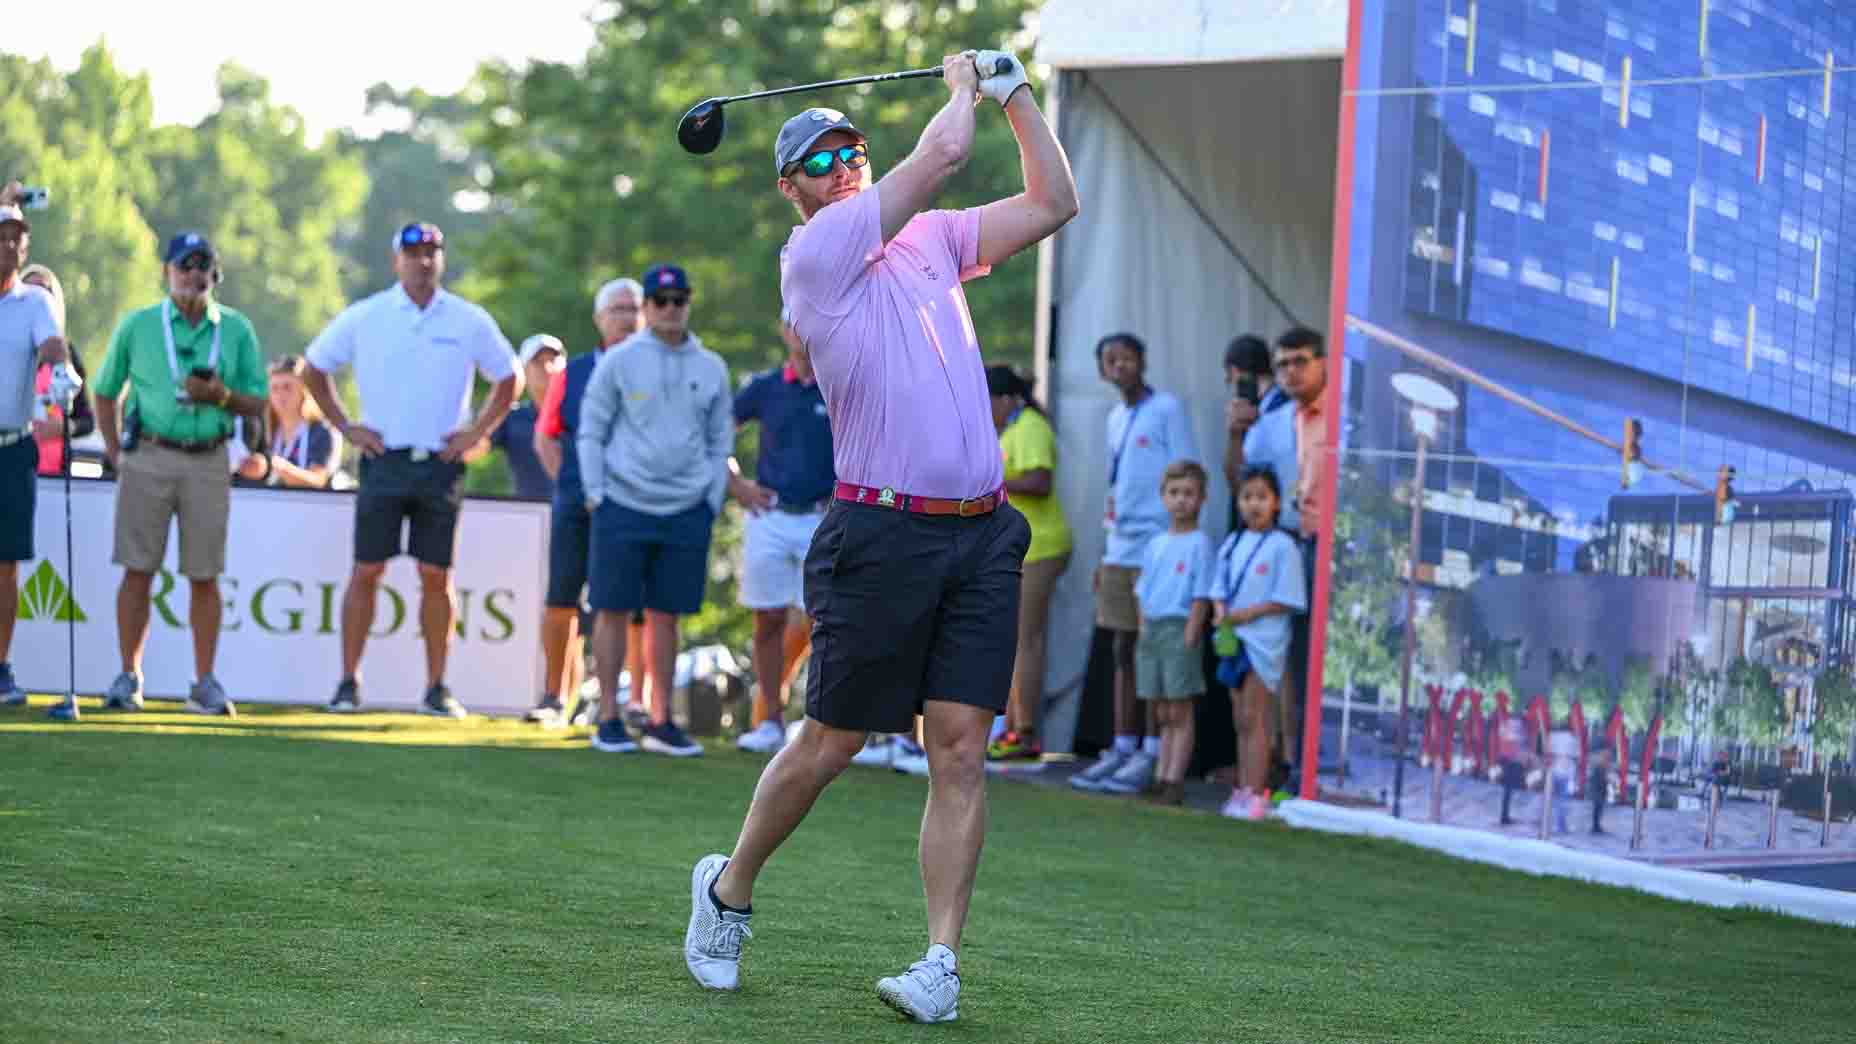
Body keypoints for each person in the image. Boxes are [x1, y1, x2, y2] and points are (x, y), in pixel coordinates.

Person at [684, 49, 1076, 1024]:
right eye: (821, 159)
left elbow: (1053, 200)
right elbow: (941, 153)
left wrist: (1018, 94)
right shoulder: (813, 259)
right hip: (876, 533)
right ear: (792, 190)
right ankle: (728, 888)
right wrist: (962, 87)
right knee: (831, 741)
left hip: (980, 535)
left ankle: (940, 962)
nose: (844, 163)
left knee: (957, 749)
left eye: (851, 148)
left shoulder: (934, 242)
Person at [303, 221, 520, 717]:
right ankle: (348, 682)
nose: (424, 261)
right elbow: (314, 368)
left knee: (436, 576)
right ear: (395, 259)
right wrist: (346, 427)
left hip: (439, 464)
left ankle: (437, 687)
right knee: (366, 571)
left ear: (441, 259)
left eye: (432, 252)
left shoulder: (467, 319)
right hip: (384, 459)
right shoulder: (369, 316)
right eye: (414, 252)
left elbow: (509, 378)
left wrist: (475, 433)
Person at [89, 231, 266, 718]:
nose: (193, 274)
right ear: (167, 272)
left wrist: (222, 398)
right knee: (137, 570)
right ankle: (130, 676)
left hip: (209, 458)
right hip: (149, 454)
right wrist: (112, 449)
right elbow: (105, 391)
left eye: (203, 265)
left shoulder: (235, 330)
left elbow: (258, 400)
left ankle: (204, 681)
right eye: (183, 265)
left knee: (204, 575)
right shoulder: (140, 325)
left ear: (215, 275)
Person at [576, 262, 730, 758]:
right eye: (659, 301)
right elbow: (592, 431)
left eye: (678, 300)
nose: (670, 309)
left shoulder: (711, 367)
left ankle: (663, 720)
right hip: (622, 502)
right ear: (645, 307)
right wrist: (597, 494)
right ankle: (609, 719)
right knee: (612, 610)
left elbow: (719, 438)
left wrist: (710, 498)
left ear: (688, 304)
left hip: (687, 507)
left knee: (668, 614)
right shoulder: (619, 362)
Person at [1070, 332, 1199, 794]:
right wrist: (1106, 552)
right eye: (1110, 360)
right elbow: (1115, 484)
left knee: (1152, 647)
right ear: (1103, 370)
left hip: (1154, 544)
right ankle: (1122, 746)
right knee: (1122, 646)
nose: (1118, 366)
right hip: (1120, 545)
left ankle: (1149, 751)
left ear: (1141, 361)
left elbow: (1186, 470)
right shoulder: (1115, 417)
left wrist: (1173, 542)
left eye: (1126, 358)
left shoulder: (1166, 408)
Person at [535, 278, 649, 726]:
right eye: (617, 309)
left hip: (634, 504)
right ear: (600, 319)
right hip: (576, 502)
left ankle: (634, 700)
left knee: (631, 606)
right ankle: (552, 695)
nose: (626, 316)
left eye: (632, 308)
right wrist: (570, 482)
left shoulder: (658, 369)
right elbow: (546, 437)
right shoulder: (573, 372)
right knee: (562, 596)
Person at [1223, 326, 1329, 793]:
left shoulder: (1344, 416)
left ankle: (1311, 767)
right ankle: (1287, 766)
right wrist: (1235, 433)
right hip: (1285, 544)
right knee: (1287, 663)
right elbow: (1240, 483)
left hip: (1330, 547)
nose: (1290, 372)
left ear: (1323, 363)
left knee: (1315, 661)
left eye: (1300, 361)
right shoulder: (1267, 425)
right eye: (1283, 363)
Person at [728, 318, 835, 754]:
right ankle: (769, 720)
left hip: (822, 518)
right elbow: (717, 433)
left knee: (823, 622)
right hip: (769, 515)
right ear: (782, 330)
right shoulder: (764, 387)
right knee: (768, 619)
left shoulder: (840, 382)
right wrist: (737, 485)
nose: (802, 330)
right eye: (794, 322)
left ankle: (818, 722)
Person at [0, 196, 69, 710]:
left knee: (5, 565)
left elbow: (51, 346)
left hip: (11, 445)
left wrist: (60, 371)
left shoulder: (35, 304)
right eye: (1, 237)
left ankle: (1, 669)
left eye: (16, 240)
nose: (8, 247)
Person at [1207, 466, 1307, 820]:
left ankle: (1256, 792)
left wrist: (1247, 614)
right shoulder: (1232, 543)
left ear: (1277, 503)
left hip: (1263, 641)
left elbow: (1288, 599)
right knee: (1241, 720)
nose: (1254, 505)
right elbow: (1217, 589)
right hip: (1233, 639)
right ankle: (1242, 788)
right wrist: (1222, 612)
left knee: (1258, 717)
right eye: (1247, 497)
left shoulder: (1284, 546)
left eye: (1262, 497)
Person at [985, 364, 1071, 763]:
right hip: (1020, 546)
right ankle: (1012, 726)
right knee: (1014, 637)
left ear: (1007, 399)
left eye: (988, 402)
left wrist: (992, 482)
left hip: (1041, 545)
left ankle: (1025, 731)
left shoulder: (1031, 425)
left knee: (1025, 639)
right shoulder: (1010, 429)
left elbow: (1040, 481)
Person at [1126, 461, 1213, 805]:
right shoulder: (1156, 543)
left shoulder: (1200, 543)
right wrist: (1143, 626)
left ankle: (1175, 779)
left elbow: (1201, 592)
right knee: (1161, 710)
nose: (1181, 501)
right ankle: (1161, 775)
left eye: (1188, 494)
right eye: (1174, 493)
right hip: (1153, 629)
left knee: (1180, 709)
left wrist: (1193, 630)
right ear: (1163, 497)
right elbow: (1143, 590)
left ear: (1202, 499)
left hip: (1180, 628)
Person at [21, 265, 95, 477]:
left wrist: (63, 427)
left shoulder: (67, 354)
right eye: (32, 291)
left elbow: (87, 421)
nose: (40, 300)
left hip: (54, 477)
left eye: (47, 293)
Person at [494, 334, 563, 502]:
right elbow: (476, 449)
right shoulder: (511, 417)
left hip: (576, 516)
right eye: (538, 362)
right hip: (527, 515)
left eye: (553, 360)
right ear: (523, 371)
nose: (547, 368)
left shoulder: (581, 413)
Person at [257, 354, 340, 488]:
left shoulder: (322, 432)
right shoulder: (264, 429)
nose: (280, 395)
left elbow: (319, 480)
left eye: (287, 387)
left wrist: (280, 467)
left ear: (304, 391)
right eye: (274, 388)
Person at [1547, 724, 1579, 834]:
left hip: (1553, 772)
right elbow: (1576, 756)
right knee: (1563, 801)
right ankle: (1561, 825)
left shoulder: (1552, 736)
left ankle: (1552, 823)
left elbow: (1548, 753)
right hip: (1567, 773)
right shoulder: (1573, 738)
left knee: (1553, 800)